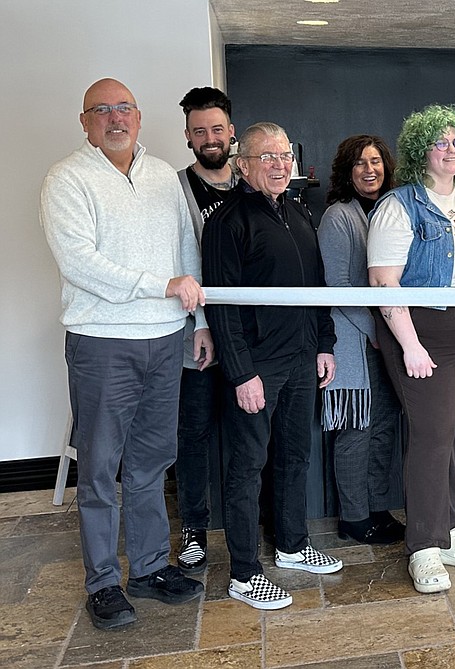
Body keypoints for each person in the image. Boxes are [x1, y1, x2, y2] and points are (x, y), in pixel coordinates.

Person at [40, 78, 206, 630]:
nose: (116, 118)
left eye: (125, 108)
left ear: (139, 116)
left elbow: (188, 253)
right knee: (100, 468)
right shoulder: (68, 179)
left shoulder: (161, 175)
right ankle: (104, 582)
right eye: (102, 110)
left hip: (165, 339)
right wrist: (157, 286)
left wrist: (197, 322)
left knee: (151, 462)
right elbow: (78, 262)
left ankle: (152, 568)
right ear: (84, 121)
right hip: (102, 341)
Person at [367, 105, 455, 593]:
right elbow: (385, 283)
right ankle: (424, 547)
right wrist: (409, 344)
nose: (451, 150)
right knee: (432, 438)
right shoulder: (398, 205)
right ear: (417, 151)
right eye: (440, 142)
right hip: (428, 337)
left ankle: (446, 529)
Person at [203, 122, 343, 611]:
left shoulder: (300, 213)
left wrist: (324, 344)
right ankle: (244, 573)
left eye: (285, 155)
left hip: (303, 358)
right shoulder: (226, 221)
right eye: (267, 157)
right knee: (247, 467)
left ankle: (290, 544)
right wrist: (241, 373)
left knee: (295, 456)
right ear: (243, 165)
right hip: (257, 365)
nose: (280, 165)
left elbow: (317, 288)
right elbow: (220, 306)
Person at [318, 135, 405, 545]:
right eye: (359, 163)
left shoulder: (394, 210)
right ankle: (354, 518)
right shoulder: (339, 216)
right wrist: (377, 332)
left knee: (383, 425)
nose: (369, 170)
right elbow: (337, 287)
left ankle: (375, 507)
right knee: (357, 427)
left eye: (376, 161)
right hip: (355, 341)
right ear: (346, 171)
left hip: (386, 337)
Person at [173, 86, 237, 574]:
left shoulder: (252, 181)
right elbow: (181, 262)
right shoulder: (175, 189)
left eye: (217, 129)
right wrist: (201, 323)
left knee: (248, 433)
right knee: (192, 434)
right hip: (198, 335)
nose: (209, 138)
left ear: (231, 131)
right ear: (189, 137)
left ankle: (250, 525)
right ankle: (193, 531)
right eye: (200, 131)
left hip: (248, 336)